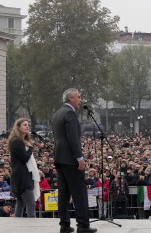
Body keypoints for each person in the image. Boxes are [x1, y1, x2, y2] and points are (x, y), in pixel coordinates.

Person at [52, 88, 95, 233]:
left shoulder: (58, 113)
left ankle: (64, 225)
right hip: (71, 159)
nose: (80, 100)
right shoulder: (70, 114)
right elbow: (73, 139)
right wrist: (80, 158)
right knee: (79, 192)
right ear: (71, 98)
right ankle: (83, 225)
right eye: (78, 97)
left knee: (63, 193)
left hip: (60, 157)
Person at [8, 118, 39, 218]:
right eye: (24, 125)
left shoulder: (22, 141)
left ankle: (18, 227)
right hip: (21, 177)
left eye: (28, 125)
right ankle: (32, 228)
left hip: (23, 175)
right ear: (18, 127)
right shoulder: (16, 141)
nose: (27, 126)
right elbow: (25, 158)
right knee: (31, 204)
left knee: (21, 204)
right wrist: (30, 148)